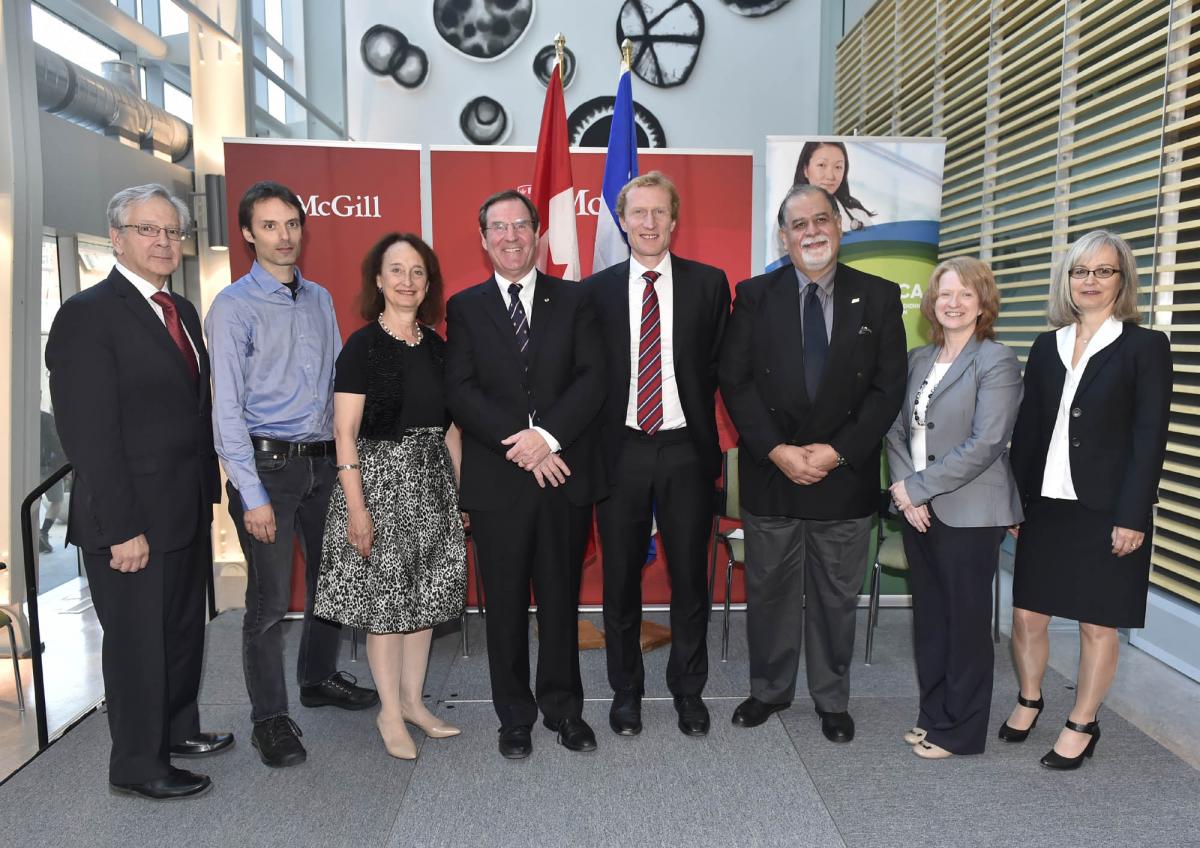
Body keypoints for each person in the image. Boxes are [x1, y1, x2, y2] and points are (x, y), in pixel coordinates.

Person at [46, 183, 230, 800]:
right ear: (117, 238)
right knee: (136, 646)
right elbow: (89, 434)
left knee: (180, 632)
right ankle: (136, 762)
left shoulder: (180, 309)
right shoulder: (88, 314)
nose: (162, 241)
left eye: (171, 231)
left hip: (181, 509)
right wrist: (122, 527)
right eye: (147, 230)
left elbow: (187, 409)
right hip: (128, 522)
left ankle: (176, 732)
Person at [718, 183, 905, 742]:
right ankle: (770, 690)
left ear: (839, 227)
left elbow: (886, 388)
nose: (812, 232)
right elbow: (736, 380)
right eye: (799, 225)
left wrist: (837, 450)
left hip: (841, 474)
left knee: (834, 597)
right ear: (783, 237)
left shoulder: (878, 295)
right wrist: (778, 450)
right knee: (771, 591)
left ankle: (831, 699)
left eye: (821, 220)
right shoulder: (753, 295)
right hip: (773, 472)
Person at [205, 180, 377, 770]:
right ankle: (269, 719)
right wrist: (249, 493)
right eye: (270, 226)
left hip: (324, 461)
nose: (284, 237)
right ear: (249, 233)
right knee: (270, 603)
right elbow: (225, 409)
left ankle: (318, 677)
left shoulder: (320, 299)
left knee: (331, 583)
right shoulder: (233, 306)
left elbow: (336, 384)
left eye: (292, 224)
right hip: (268, 468)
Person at [444, 189, 606, 759]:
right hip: (498, 480)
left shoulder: (576, 298)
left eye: (520, 226)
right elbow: (460, 391)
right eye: (498, 227)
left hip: (561, 474)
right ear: (483, 237)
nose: (510, 236)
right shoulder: (464, 307)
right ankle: (513, 716)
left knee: (561, 600)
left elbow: (593, 378)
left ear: (538, 234)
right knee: (506, 605)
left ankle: (564, 710)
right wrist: (523, 444)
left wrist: (549, 438)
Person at [1002, 230, 1171, 770]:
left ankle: (1083, 721)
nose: (1090, 281)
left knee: (1099, 622)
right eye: (1080, 271)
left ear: (1122, 280)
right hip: (1046, 504)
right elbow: (1028, 431)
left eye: (1103, 271)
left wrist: (1133, 514)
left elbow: (1150, 437)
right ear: (1067, 280)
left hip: (1106, 510)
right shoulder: (1045, 345)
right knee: (1028, 615)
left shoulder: (1146, 346)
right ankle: (1030, 699)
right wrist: (1015, 501)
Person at [584, 171, 730, 738]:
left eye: (659, 213)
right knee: (620, 579)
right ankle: (626, 691)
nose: (648, 223)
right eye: (637, 213)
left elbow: (720, 369)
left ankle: (688, 691)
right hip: (618, 451)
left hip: (684, 450)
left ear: (674, 220)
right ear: (622, 220)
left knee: (690, 579)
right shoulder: (594, 292)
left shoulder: (709, 284)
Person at [314, 233, 467, 760]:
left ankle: (414, 704)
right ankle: (387, 711)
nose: (407, 280)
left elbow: (451, 429)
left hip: (432, 486)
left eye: (417, 272)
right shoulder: (363, 346)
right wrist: (358, 509)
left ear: (429, 284)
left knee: (424, 605)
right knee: (387, 608)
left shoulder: (439, 347)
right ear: (378, 280)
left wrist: (458, 497)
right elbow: (344, 432)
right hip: (379, 486)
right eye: (396, 270)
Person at [885, 257, 1023, 759]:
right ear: (932, 301)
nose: (954, 303)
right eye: (945, 293)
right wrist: (905, 488)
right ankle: (934, 715)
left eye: (966, 294)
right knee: (932, 621)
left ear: (983, 303)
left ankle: (962, 732)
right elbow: (896, 429)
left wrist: (918, 488)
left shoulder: (997, 360)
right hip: (918, 509)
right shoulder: (919, 359)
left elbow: (987, 442)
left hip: (970, 512)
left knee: (965, 626)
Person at [793, 141, 875, 232]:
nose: (830, 176)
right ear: (805, 169)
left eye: (838, 167)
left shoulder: (859, 216)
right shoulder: (788, 217)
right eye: (821, 165)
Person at [39, 409, 66, 553]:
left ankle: (37, 534)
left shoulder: (18, 417)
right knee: (57, 501)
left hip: (31, 467)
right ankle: (43, 531)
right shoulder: (46, 418)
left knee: (32, 504)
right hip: (50, 468)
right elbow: (57, 442)